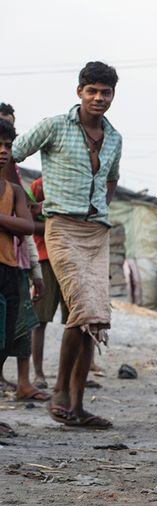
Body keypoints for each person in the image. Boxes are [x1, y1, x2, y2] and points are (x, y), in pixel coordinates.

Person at [7, 61, 122, 429]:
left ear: (113, 95)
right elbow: (13, 154)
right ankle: (59, 393)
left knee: (95, 319)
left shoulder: (115, 137)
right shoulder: (55, 125)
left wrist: (101, 207)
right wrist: (20, 201)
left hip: (96, 232)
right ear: (80, 92)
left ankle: (76, 404)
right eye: (92, 91)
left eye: (105, 92)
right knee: (85, 312)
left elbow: (111, 180)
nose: (99, 98)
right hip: (61, 228)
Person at [0, 119, 42, 401]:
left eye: (7, 145)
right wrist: (10, 223)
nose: (3, 150)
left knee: (4, 341)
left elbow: (27, 227)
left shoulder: (13, 190)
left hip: (9, 269)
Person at [29, 177, 70, 389]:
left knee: (75, 321)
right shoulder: (39, 185)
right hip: (45, 257)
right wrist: (52, 228)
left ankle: (70, 375)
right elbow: (28, 218)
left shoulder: (75, 182)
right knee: (39, 319)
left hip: (71, 257)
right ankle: (38, 373)